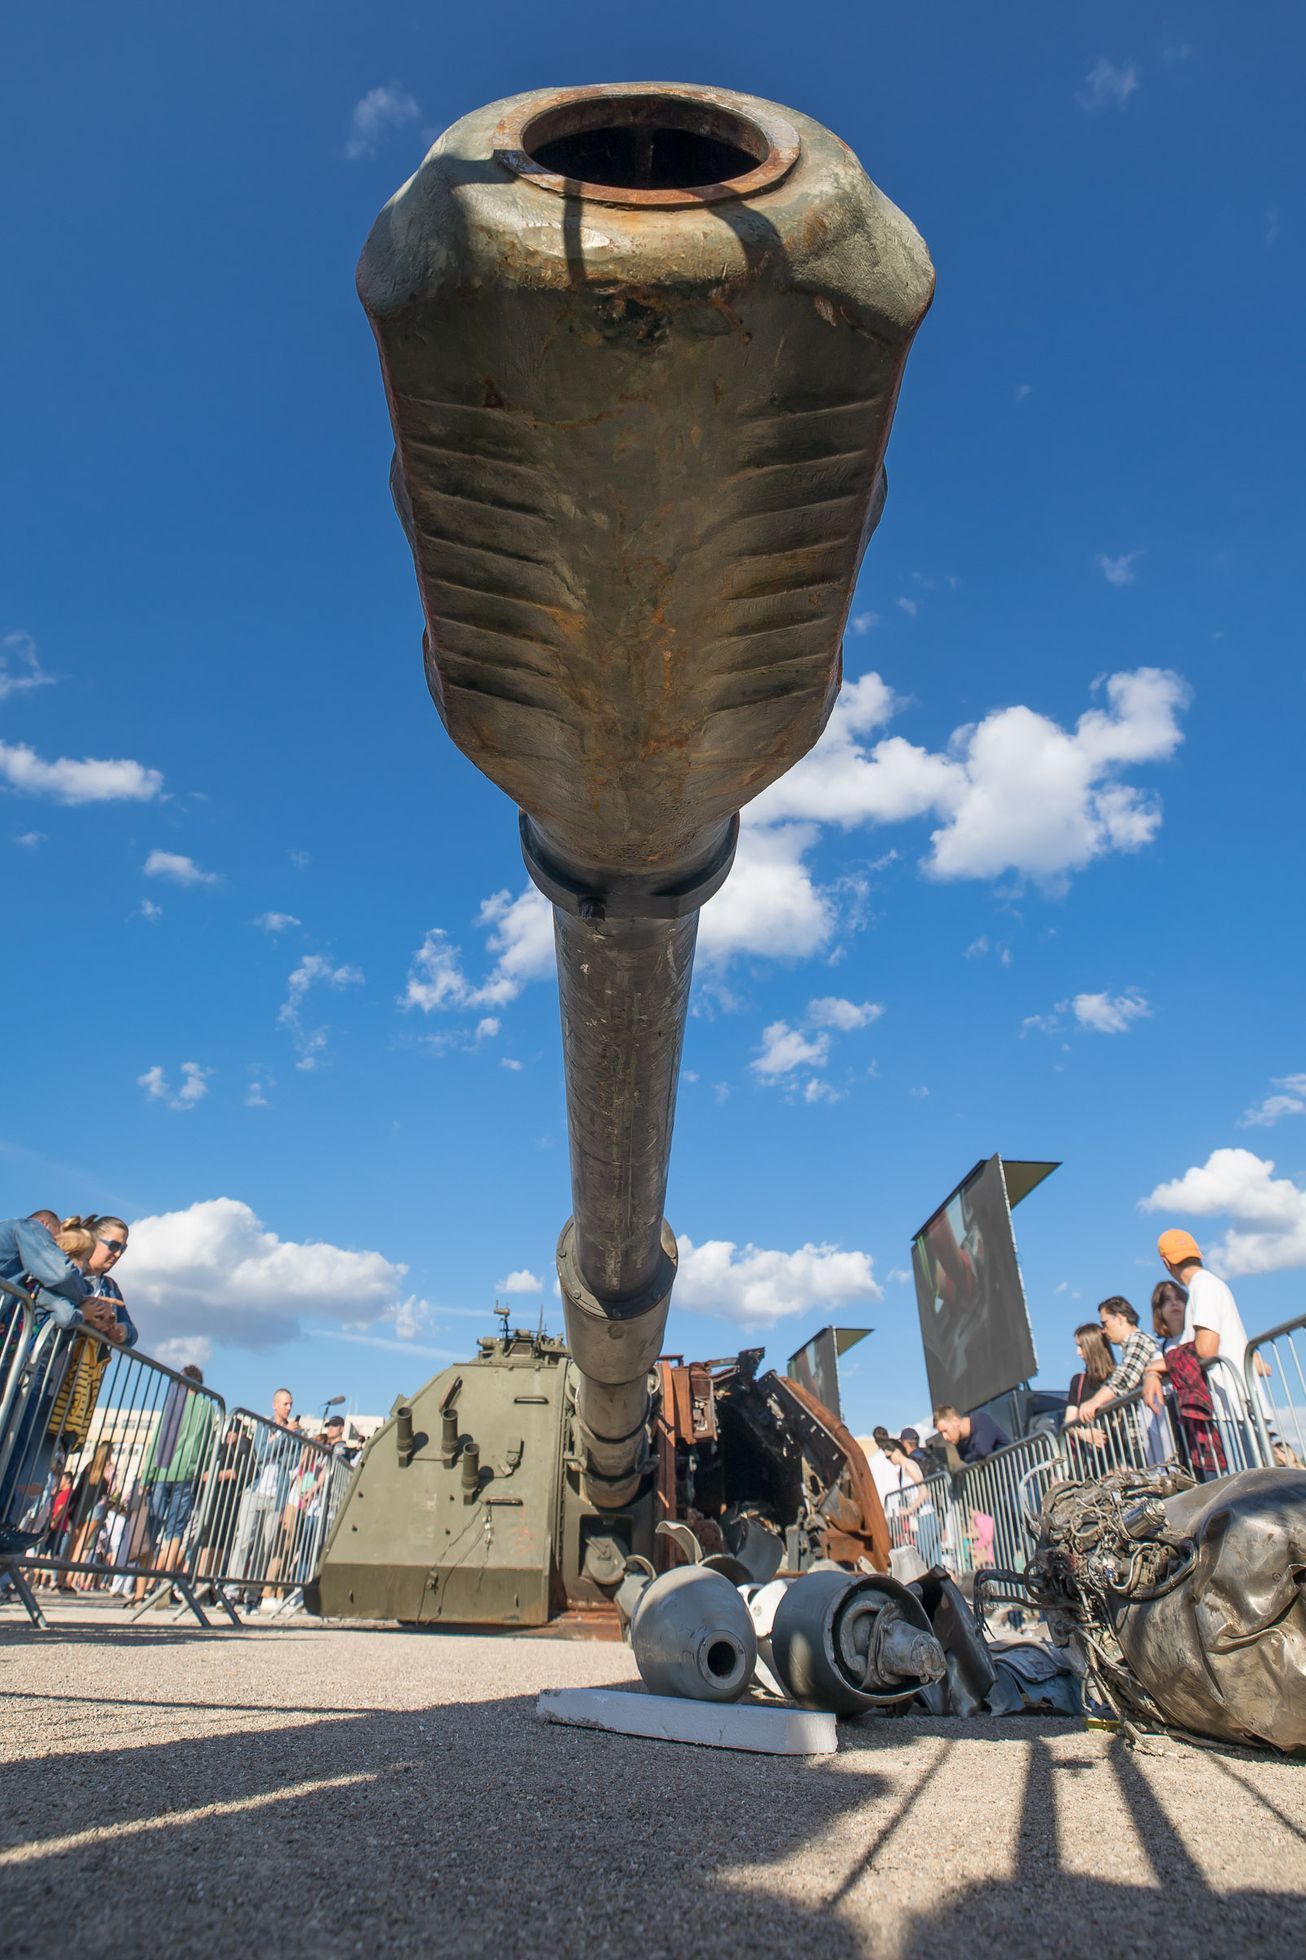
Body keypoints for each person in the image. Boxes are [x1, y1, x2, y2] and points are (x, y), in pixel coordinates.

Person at [1144, 1230, 1251, 1431]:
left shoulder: (1202, 1285)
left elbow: (1206, 1348)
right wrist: (1153, 1372)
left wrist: (1157, 1366)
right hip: (1230, 1407)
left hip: (1229, 1408)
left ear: (1166, 1263)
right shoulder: (1205, 1284)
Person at [1148, 1277, 1226, 1478]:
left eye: (1179, 1298)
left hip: (1210, 1410)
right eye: (1166, 1300)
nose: (1174, 1303)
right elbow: (1153, 1366)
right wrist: (1151, 1374)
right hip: (1181, 1421)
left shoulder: (1197, 1334)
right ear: (1159, 1310)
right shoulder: (1161, 1347)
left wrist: (1161, 1366)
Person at [1067, 1299, 1158, 1433]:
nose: (1103, 1330)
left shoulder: (1138, 1341)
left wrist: (1095, 1401)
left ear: (1120, 1319)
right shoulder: (1131, 1346)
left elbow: (1125, 1377)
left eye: (1104, 1323)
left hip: (1150, 1431)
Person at [65, 1216, 137, 1347]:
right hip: (51, 1356)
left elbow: (132, 1331)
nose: (118, 1254)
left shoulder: (110, 1287)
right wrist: (82, 1313)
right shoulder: (69, 1272)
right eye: (114, 1246)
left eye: (123, 1249)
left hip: (84, 1364)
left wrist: (123, 1331)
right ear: (93, 1241)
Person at [932, 1404, 1011, 1464]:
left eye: (945, 1431)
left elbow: (983, 1450)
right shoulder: (959, 1441)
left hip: (1017, 1477)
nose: (945, 1437)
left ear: (955, 1421)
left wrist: (971, 1456)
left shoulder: (981, 1420)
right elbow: (964, 1458)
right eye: (941, 1433)